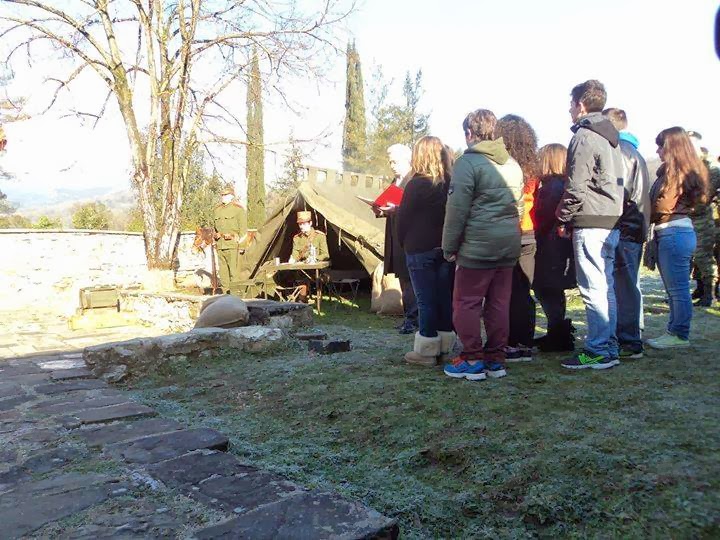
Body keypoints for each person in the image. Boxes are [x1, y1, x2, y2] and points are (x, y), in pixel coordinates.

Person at [442, 109, 523, 381]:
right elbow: (519, 208)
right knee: (499, 304)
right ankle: (496, 360)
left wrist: (449, 246)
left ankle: (472, 358)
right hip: (507, 246)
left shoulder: (468, 163)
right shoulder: (512, 164)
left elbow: (456, 211)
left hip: (477, 246)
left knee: (466, 303)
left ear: (469, 133)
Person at [556, 80, 624, 370]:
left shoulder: (585, 135)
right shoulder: (612, 136)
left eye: (571, 103)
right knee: (605, 285)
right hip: (611, 219)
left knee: (593, 287)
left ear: (581, 104)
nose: (569, 109)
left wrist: (563, 217)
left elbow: (576, 186)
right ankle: (608, 344)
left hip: (592, 222)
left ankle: (598, 349)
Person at [646, 127, 710, 348]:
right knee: (675, 289)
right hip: (674, 232)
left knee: (678, 289)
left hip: (673, 232)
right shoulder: (681, 170)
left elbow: (663, 204)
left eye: (661, 145)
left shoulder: (676, 174)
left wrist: (648, 212)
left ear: (671, 146)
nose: (657, 151)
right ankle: (674, 330)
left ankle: (679, 334)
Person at [396, 137, 455, 366]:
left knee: (425, 301)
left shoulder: (416, 184)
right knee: (444, 298)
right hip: (445, 247)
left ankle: (426, 350)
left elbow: (403, 219)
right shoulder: (450, 182)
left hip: (419, 248)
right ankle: (445, 348)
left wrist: (403, 242)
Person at [603, 108, 651, 359]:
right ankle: (628, 338)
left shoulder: (618, 152)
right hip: (633, 226)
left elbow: (618, 194)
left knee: (622, 286)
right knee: (627, 285)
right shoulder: (635, 153)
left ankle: (628, 340)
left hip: (623, 228)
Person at [495, 115, 538, 362]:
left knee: (507, 292)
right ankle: (525, 342)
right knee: (524, 291)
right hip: (529, 233)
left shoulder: (504, 167)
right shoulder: (532, 168)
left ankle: (510, 342)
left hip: (510, 231)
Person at [532, 144, 576, 352]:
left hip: (549, 246)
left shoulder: (551, 188)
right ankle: (556, 331)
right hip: (557, 246)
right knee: (553, 290)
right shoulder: (563, 185)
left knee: (546, 289)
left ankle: (557, 333)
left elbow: (543, 216)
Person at [378, 144, 419, 334]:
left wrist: (397, 209)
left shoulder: (414, 179)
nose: (392, 165)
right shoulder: (397, 180)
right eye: (390, 161)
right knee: (403, 278)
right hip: (395, 233)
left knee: (411, 279)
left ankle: (414, 319)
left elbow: (415, 208)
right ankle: (408, 317)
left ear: (406, 160)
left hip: (410, 236)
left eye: (395, 161)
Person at [687, 131, 720, 306]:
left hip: (703, 218)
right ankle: (700, 289)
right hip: (687, 217)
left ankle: (710, 294)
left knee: (704, 256)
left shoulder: (711, 168)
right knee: (695, 258)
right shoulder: (685, 166)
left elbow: (704, 197)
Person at [213, 185, 247, 293]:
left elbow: (243, 231)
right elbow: (215, 228)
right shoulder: (216, 210)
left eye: (226, 195)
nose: (223, 197)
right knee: (223, 273)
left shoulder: (238, 210)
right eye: (222, 195)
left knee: (234, 273)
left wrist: (241, 246)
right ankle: (225, 296)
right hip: (220, 245)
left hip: (233, 245)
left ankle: (234, 297)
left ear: (232, 196)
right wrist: (215, 240)